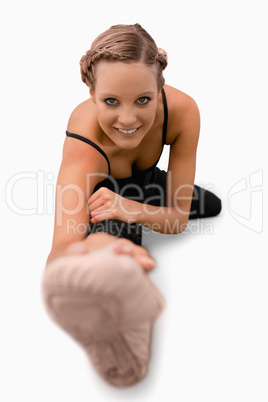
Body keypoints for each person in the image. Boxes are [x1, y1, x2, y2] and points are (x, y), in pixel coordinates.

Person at [42, 23, 222, 387]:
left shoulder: (184, 111)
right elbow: (63, 242)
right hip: (104, 197)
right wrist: (80, 259)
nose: (127, 119)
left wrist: (132, 208)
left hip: (142, 186)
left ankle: (122, 232)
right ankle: (114, 279)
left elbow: (177, 220)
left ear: (160, 90)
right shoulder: (84, 146)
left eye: (143, 100)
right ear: (91, 93)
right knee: (106, 233)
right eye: (111, 101)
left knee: (212, 204)